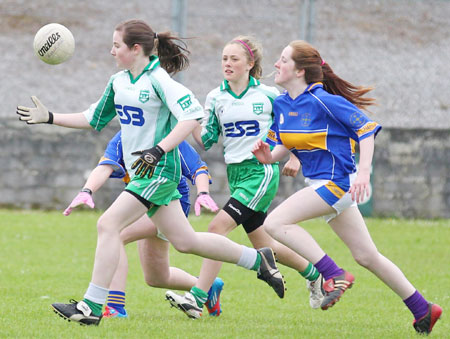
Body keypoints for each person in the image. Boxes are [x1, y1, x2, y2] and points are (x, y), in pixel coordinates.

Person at [16, 19, 284, 326]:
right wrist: (49, 117)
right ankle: (258, 261)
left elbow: (191, 116)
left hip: (157, 173)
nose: (111, 51)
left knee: (107, 225)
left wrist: (159, 149)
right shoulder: (118, 82)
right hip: (145, 174)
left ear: (135, 49)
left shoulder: (159, 79)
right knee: (185, 241)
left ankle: (91, 306)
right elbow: (92, 118)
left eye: (117, 46)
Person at [251, 40, 442, 335]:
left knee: (275, 223)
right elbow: (282, 145)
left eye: (283, 59)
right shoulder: (282, 104)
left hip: (337, 183)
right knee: (367, 256)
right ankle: (423, 308)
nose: (276, 65)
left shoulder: (323, 100)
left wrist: (364, 172)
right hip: (322, 184)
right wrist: (269, 157)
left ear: (300, 70)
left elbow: (366, 130)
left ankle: (332, 274)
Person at [165, 36, 324, 320]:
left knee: (216, 230)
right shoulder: (215, 97)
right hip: (236, 174)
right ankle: (316, 275)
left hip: (259, 172)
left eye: (234, 59)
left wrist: (295, 156)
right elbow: (207, 140)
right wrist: (189, 118)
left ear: (250, 64)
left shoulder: (269, 95)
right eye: (224, 58)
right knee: (267, 246)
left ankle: (198, 298)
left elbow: (294, 127)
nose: (227, 63)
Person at [64, 130, 224, 318]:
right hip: (143, 205)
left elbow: (199, 169)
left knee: (116, 233)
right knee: (157, 277)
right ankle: (206, 286)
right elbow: (105, 166)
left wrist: (203, 193)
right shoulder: (123, 136)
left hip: (171, 204)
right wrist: (86, 191)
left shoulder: (168, 135)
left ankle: (115, 307)